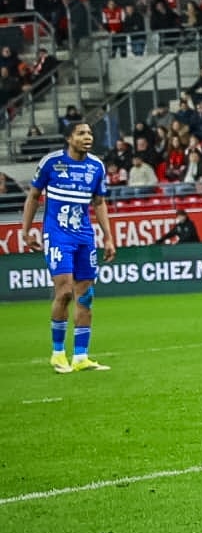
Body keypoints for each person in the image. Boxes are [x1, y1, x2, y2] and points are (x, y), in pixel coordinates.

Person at [20, 119, 116, 372]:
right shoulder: (51, 163)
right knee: (63, 292)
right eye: (81, 133)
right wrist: (25, 230)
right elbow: (33, 196)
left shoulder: (96, 166)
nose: (88, 137)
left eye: (90, 133)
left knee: (86, 295)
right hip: (57, 235)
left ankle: (81, 357)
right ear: (69, 138)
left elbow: (99, 202)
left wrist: (108, 237)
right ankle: (58, 353)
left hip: (84, 235)